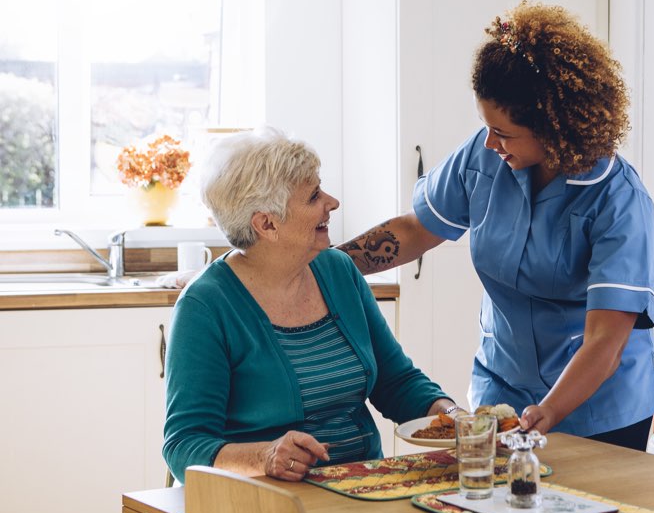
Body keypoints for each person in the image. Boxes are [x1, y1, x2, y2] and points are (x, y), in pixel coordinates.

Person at [337, 1, 654, 451]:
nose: (491, 142)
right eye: (485, 126)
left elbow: (606, 339)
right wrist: (327, 265)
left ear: (554, 127)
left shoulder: (618, 199)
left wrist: (550, 410)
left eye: (505, 133)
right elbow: (415, 230)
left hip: (597, 408)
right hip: (503, 391)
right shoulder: (485, 154)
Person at [162, 126, 456, 483]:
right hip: (263, 502)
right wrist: (266, 455)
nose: (332, 202)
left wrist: (451, 415)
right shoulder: (205, 305)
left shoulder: (338, 271)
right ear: (267, 224)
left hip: (360, 487)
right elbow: (184, 445)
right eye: (314, 196)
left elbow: (395, 382)